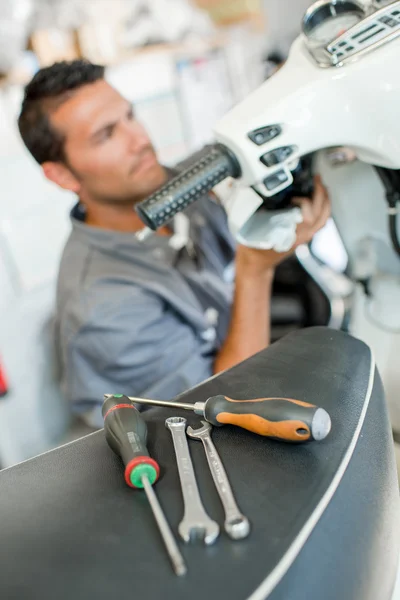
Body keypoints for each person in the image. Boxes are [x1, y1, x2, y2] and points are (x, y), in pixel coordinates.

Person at [18, 60, 330, 428]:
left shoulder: (178, 182)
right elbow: (222, 412)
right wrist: (256, 269)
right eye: (107, 135)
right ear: (62, 174)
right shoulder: (103, 305)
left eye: (130, 116)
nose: (140, 140)